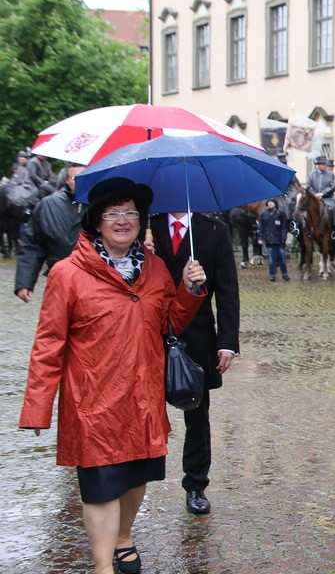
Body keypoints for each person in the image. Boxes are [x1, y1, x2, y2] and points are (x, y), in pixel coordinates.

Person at [20, 177, 206, 574]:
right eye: (113, 213)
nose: (123, 220)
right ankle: (103, 567)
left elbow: (169, 324)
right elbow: (49, 343)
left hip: (142, 395)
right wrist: (38, 406)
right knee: (101, 486)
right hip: (94, 401)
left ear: (141, 221)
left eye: (131, 213)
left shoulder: (155, 269)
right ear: (96, 222)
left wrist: (189, 291)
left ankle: (124, 536)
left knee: (137, 477)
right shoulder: (67, 274)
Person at [148, 210, 240, 516]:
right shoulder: (145, 227)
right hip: (150, 333)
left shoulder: (214, 230)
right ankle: (136, 481)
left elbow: (227, 290)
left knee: (197, 415)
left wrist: (227, 342)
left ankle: (196, 484)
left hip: (198, 337)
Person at [15, 162, 86, 302]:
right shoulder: (47, 205)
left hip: (95, 280)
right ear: (66, 179)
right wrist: (25, 282)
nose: (80, 183)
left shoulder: (103, 204)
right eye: (75, 178)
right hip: (59, 278)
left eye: (85, 177)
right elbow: (33, 244)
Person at [256, 198, 290, 282]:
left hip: (279, 240)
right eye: (269, 203)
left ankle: (284, 274)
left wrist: (283, 237)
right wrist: (260, 238)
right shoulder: (264, 214)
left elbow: (284, 227)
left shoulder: (280, 213)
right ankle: (272, 275)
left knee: (282, 258)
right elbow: (261, 227)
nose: (271, 204)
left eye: (272, 203)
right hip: (269, 240)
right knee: (271, 259)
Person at [307, 155, 335, 231]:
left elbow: (332, 186)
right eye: (323, 164)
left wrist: (322, 194)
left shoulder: (330, 174)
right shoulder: (311, 175)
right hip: (314, 198)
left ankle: (334, 229)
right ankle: (299, 229)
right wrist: (314, 194)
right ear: (318, 165)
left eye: (325, 164)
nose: (325, 165)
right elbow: (308, 186)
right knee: (303, 208)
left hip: (327, 198)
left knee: (332, 209)